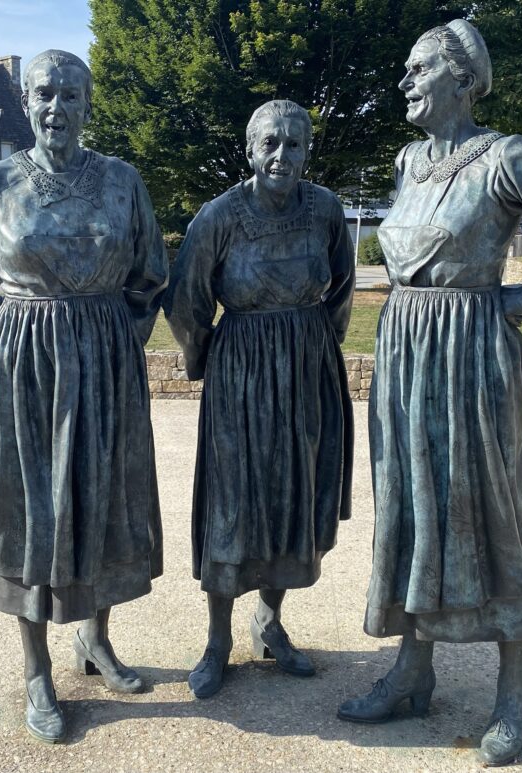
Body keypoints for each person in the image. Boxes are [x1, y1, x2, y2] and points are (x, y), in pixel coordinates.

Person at [335, 21, 522, 766]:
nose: (404, 81)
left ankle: (512, 690)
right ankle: (412, 669)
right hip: (404, 348)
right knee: (409, 506)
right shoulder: (407, 160)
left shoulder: (505, 157)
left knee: (485, 511)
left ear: (461, 78)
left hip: (471, 353)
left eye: (417, 68)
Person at [0, 49, 167, 744]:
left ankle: (95, 639)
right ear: (27, 105)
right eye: (44, 95)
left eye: (69, 95)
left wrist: (120, 337)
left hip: (104, 362)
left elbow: (150, 271)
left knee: (100, 499)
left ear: (88, 105)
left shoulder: (122, 181)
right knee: (28, 508)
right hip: (26, 366)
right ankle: (36, 670)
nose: (56, 107)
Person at [164, 99, 355, 700]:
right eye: (269, 143)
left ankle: (270, 621)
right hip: (240, 372)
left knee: (294, 496)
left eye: (294, 144)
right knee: (234, 504)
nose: (282, 155)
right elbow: (186, 301)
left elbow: (342, 288)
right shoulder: (218, 217)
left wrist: (319, 351)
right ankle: (217, 639)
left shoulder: (325, 209)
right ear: (250, 150)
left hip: (307, 367)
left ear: (307, 151)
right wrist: (207, 363)